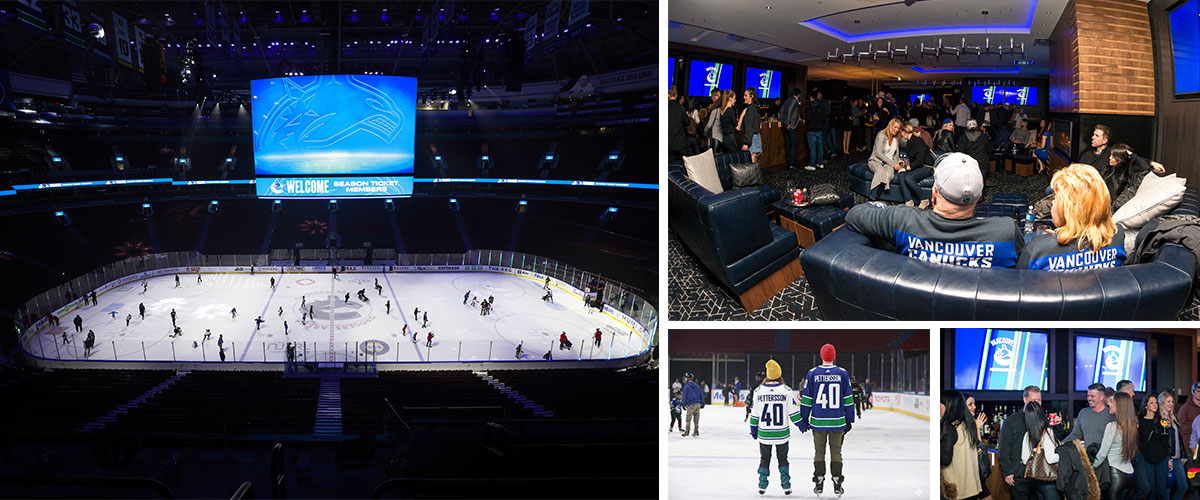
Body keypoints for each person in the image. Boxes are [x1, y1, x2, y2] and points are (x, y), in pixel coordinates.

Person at [845, 153, 1023, 269]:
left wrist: (881, 206)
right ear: (979, 196)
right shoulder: (1005, 232)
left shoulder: (902, 220)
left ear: (934, 192)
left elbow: (854, 214)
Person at [1018, 164, 1126, 271]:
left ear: (1068, 210)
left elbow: (1020, 284)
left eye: (1056, 198)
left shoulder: (1037, 249)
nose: (1053, 202)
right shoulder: (1118, 235)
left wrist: (1048, 242)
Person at [798, 344, 854, 497]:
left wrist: (804, 418)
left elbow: (807, 399)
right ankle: (837, 481)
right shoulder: (842, 373)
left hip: (818, 422)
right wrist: (850, 419)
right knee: (836, 452)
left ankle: (819, 480)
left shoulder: (812, 373)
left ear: (821, 356)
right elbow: (848, 399)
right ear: (834, 355)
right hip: (837, 421)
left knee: (819, 452)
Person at [751, 359, 805, 495]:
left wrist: (753, 429)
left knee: (764, 459)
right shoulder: (786, 391)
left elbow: (755, 414)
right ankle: (786, 486)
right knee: (783, 459)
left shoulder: (758, 391)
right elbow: (793, 413)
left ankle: (762, 485)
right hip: (781, 434)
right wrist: (801, 425)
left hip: (764, 434)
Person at [1093, 392, 1138, 500]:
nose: (1109, 404)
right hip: (1130, 475)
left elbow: (1103, 453)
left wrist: (1091, 467)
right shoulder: (1132, 427)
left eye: (1112, 402)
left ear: (1120, 406)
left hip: (1115, 474)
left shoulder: (1112, 426)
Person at [1000, 385, 1042, 498]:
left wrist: (1056, 426)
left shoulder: (1042, 420)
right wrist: (1007, 472)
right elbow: (1004, 448)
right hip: (1018, 475)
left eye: (1039, 400)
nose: (1037, 403)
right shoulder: (1011, 421)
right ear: (1025, 400)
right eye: (1034, 400)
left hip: (1038, 475)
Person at [942, 390, 984, 500]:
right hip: (972, 488)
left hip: (955, 490)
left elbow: (945, 459)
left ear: (948, 405)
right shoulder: (969, 426)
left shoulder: (949, 428)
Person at [1107, 143, 1168, 210]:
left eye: (1113, 157)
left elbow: (1145, 168)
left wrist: (1132, 155)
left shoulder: (1130, 170)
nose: (1110, 158)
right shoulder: (1108, 169)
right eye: (1110, 155)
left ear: (1121, 158)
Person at [1021, 401, 1060, 500]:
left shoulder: (1027, 434)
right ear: (1041, 414)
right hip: (1048, 479)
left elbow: (1025, 459)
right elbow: (1050, 459)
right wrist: (1064, 455)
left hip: (1034, 480)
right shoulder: (1047, 431)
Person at [1134, 394, 1170, 500]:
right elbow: (1139, 443)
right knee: (1151, 492)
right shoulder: (1140, 422)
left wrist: (1166, 429)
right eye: (1151, 403)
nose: (1155, 405)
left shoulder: (1161, 421)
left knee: (1161, 491)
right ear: (1146, 405)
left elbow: (1165, 442)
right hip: (1147, 459)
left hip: (1161, 459)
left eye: (1156, 403)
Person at [896, 122, 936, 208]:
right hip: (919, 166)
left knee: (909, 178)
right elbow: (913, 157)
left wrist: (907, 168)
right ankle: (909, 201)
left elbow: (919, 161)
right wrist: (905, 164)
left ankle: (924, 200)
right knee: (900, 174)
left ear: (903, 132)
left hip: (927, 167)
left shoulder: (917, 141)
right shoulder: (910, 141)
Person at [1065, 383, 1117, 449]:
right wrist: (1062, 443)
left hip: (1106, 457)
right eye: (1088, 396)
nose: (1089, 398)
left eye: (1092, 396)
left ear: (1102, 397)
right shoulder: (1083, 413)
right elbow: (1075, 434)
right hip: (1088, 456)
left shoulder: (1111, 415)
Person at [1158, 391, 1187, 500]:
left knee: (1183, 487)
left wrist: (1183, 455)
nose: (1171, 404)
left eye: (1172, 402)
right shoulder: (1159, 419)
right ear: (1162, 403)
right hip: (1167, 458)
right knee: (1167, 488)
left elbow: (1179, 438)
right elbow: (1162, 442)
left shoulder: (1174, 417)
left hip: (1177, 458)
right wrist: (1168, 458)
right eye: (1168, 401)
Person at [866, 118, 904, 199]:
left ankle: (876, 195)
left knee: (889, 173)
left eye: (898, 128)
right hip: (876, 161)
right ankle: (872, 196)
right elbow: (878, 153)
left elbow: (895, 155)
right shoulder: (881, 135)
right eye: (895, 127)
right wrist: (894, 164)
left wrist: (898, 163)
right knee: (880, 171)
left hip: (889, 163)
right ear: (890, 126)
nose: (896, 130)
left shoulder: (896, 138)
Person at [805, 90, 829, 170]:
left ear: (811, 97)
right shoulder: (822, 105)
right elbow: (824, 117)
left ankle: (812, 164)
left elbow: (808, 118)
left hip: (811, 129)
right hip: (819, 129)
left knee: (813, 148)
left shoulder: (810, 105)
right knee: (820, 147)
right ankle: (820, 163)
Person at [739, 87, 762, 163]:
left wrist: (746, 143)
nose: (744, 97)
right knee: (754, 163)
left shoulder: (750, 109)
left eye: (746, 95)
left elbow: (749, 127)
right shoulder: (756, 108)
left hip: (751, 138)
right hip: (757, 137)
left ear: (752, 96)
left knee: (751, 165)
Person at [781, 88, 802, 168]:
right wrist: (788, 123)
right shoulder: (794, 100)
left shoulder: (788, 100)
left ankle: (789, 161)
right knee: (793, 144)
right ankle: (792, 163)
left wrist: (783, 121)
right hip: (791, 125)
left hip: (786, 125)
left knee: (788, 143)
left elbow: (782, 109)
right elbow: (790, 111)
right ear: (798, 94)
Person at [1178, 383, 1200, 455]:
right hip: (1190, 448)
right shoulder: (1185, 408)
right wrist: (1196, 426)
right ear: (1192, 392)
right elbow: (1181, 427)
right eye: (1198, 391)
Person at [667, 86, 687, 160]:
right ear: (676, 95)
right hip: (680, 144)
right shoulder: (681, 108)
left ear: (668, 95)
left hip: (668, 144)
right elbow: (687, 122)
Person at [682, 372, 704, 437]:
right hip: (698, 404)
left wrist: (683, 403)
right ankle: (696, 431)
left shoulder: (687, 386)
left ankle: (687, 431)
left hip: (691, 404)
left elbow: (684, 395)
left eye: (686, 378)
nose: (685, 379)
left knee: (688, 418)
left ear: (688, 379)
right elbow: (701, 394)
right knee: (696, 418)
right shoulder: (697, 385)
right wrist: (702, 402)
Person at [719, 90, 739, 155]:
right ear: (730, 98)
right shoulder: (730, 110)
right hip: (731, 138)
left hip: (725, 138)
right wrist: (743, 115)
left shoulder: (722, 111)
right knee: (736, 158)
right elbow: (737, 127)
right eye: (734, 98)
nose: (735, 100)